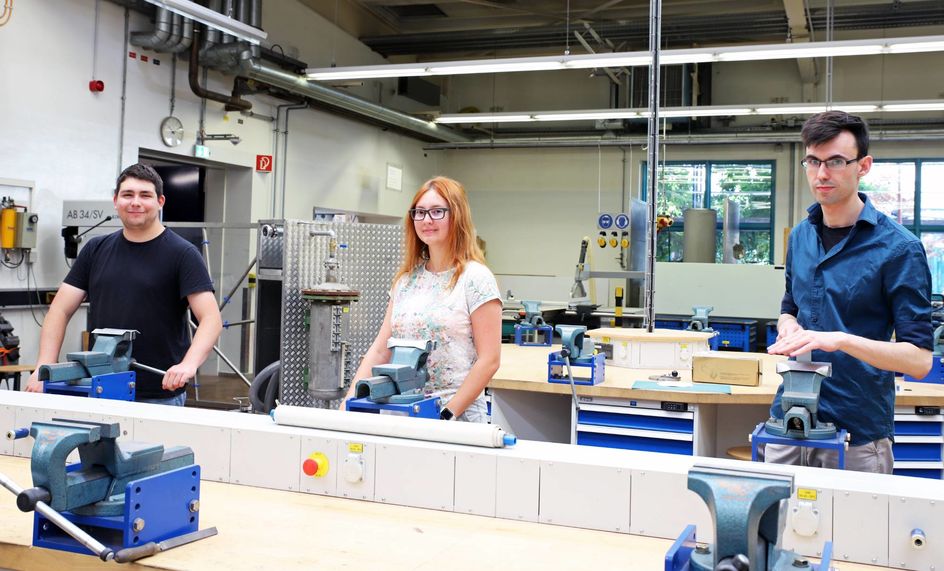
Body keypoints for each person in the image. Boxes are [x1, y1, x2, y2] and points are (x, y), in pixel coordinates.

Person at [766, 110, 933, 473]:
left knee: (854, 530)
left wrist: (840, 340)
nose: (822, 173)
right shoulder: (800, 236)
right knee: (776, 528)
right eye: (813, 161)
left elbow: (919, 360)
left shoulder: (899, 249)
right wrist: (788, 324)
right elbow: (790, 304)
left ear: (864, 165)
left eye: (836, 161)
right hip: (790, 420)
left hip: (856, 431)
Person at [25, 163, 223, 405]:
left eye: (145, 195)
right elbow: (60, 309)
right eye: (128, 195)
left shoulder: (183, 254)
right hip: (100, 388)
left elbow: (211, 319)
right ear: (115, 200)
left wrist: (188, 364)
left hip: (157, 394)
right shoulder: (95, 250)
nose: (135, 202)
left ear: (160, 201)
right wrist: (44, 366)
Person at [343, 176, 501, 422]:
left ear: (457, 216)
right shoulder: (405, 281)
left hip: (455, 417)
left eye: (437, 211)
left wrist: (446, 414)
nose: (427, 220)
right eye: (420, 212)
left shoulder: (476, 278)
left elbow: (489, 360)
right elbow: (380, 350)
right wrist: (347, 404)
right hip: (402, 412)